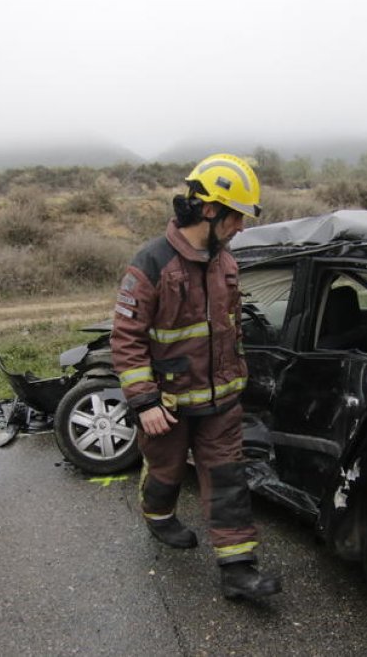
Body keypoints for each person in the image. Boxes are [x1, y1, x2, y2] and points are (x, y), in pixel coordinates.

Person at [111, 153, 282, 601]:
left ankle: (238, 570)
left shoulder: (226, 262)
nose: (240, 227)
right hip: (167, 405)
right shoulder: (151, 262)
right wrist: (144, 401)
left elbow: (230, 328)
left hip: (221, 402)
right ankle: (158, 516)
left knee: (227, 479)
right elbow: (126, 337)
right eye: (235, 216)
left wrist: (240, 378)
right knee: (166, 472)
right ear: (208, 210)